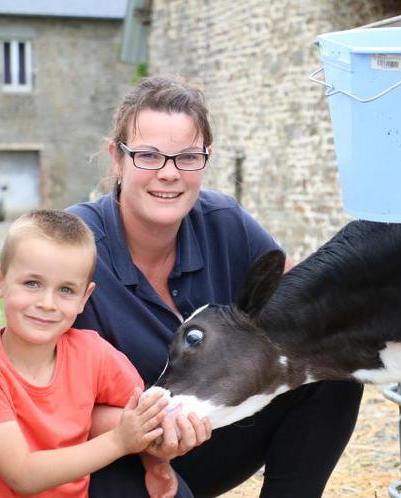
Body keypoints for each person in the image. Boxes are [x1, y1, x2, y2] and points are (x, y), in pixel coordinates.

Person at [68, 75, 364, 497]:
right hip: (107, 459)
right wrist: (147, 428)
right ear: (117, 159)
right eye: (148, 156)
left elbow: (304, 303)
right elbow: (43, 392)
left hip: (203, 440)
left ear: (205, 159)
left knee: (331, 374)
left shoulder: (224, 222)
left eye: (187, 157)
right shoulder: (75, 244)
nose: (169, 174)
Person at [0, 209, 177, 498]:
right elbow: (22, 474)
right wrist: (119, 442)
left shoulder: (94, 354)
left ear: (84, 298)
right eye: (32, 283)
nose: (47, 303)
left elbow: (142, 415)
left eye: (65, 289)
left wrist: (155, 463)